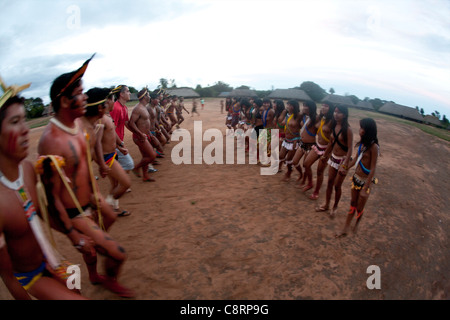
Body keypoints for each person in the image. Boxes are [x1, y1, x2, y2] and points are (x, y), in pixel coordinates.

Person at [37, 57, 134, 298]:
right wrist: (74, 234)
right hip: (72, 211)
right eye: (80, 94)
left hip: (90, 197)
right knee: (118, 252)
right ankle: (107, 274)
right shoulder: (51, 140)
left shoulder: (80, 125)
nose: (85, 99)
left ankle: (94, 264)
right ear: (63, 100)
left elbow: (92, 148)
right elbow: (50, 197)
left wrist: (99, 172)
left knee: (110, 216)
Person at [0, 78, 86, 300]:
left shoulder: (28, 170)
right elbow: (8, 275)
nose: (25, 130)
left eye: (24, 120)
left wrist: (75, 236)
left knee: (76, 288)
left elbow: (42, 214)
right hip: (28, 277)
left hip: (49, 261)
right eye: (15, 122)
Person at [85, 87, 131, 217]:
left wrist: (120, 146)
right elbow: (97, 143)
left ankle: (114, 208)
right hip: (107, 157)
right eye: (112, 100)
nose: (113, 102)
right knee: (126, 183)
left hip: (112, 153)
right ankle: (107, 206)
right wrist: (102, 163)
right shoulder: (101, 120)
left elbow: (112, 134)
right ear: (106, 102)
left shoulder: (106, 117)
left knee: (116, 184)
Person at [336, 118, 379, 237]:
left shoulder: (374, 147)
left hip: (365, 182)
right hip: (356, 179)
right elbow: (355, 160)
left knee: (359, 207)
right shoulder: (362, 144)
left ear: (368, 130)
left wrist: (366, 188)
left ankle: (357, 222)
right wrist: (345, 167)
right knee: (353, 202)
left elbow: (373, 168)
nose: (360, 130)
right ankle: (346, 227)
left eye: (362, 128)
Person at [316, 105, 353, 218]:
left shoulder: (348, 129)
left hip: (342, 160)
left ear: (345, 115)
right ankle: (327, 204)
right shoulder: (334, 125)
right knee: (330, 183)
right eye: (335, 112)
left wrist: (345, 165)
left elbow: (350, 148)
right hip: (333, 158)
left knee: (337, 186)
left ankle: (335, 207)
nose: (336, 114)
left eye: (339, 112)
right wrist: (325, 155)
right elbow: (331, 143)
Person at [303, 101, 335, 199]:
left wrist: (326, 154)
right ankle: (310, 183)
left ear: (331, 108)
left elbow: (333, 139)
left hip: (326, 150)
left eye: (326, 106)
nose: (323, 107)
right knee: (306, 164)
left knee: (319, 172)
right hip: (317, 146)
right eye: (322, 105)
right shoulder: (320, 118)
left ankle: (316, 192)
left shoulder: (333, 122)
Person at [128, 87, 157, 182]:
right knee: (152, 155)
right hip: (139, 137)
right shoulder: (138, 108)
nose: (149, 96)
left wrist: (149, 134)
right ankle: (136, 167)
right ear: (144, 97)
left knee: (146, 156)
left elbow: (145, 123)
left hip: (145, 135)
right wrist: (140, 134)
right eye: (148, 95)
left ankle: (145, 176)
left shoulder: (144, 107)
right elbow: (131, 123)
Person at [291, 100, 318, 186]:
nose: (304, 107)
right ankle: (301, 175)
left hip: (310, 145)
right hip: (302, 143)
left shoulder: (316, 118)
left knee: (306, 165)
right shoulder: (302, 116)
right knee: (294, 161)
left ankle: (306, 181)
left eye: (307, 106)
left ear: (311, 107)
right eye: (304, 105)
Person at [110, 85, 135, 174]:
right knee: (129, 164)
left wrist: (136, 133)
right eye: (128, 91)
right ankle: (123, 184)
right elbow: (111, 130)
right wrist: (120, 145)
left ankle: (121, 184)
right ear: (121, 94)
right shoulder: (116, 108)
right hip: (114, 142)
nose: (130, 93)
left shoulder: (124, 107)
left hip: (119, 141)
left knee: (118, 164)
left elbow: (126, 123)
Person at [279, 100, 302, 181]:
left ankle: (290, 173)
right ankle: (290, 169)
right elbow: (280, 123)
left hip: (294, 140)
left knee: (289, 160)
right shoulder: (287, 115)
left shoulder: (299, 115)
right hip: (286, 139)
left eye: (290, 105)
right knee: (281, 156)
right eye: (287, 104)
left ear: (295, 107)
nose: (288, 106)